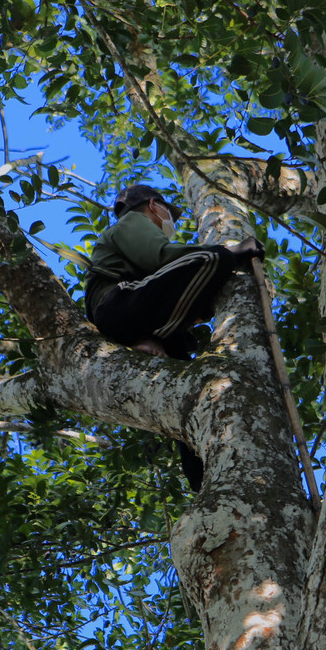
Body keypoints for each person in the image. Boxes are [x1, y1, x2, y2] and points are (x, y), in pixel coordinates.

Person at [84, 184, 264, 490]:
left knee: (192, 389)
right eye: (170, 214)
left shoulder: (128, 228)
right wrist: (233, 254)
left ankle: (202, 477)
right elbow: (163, 257)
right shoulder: (130, 222)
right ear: (154, 205)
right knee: (211, 259)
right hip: (117, 305)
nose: (172, 222)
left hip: (139, 323)